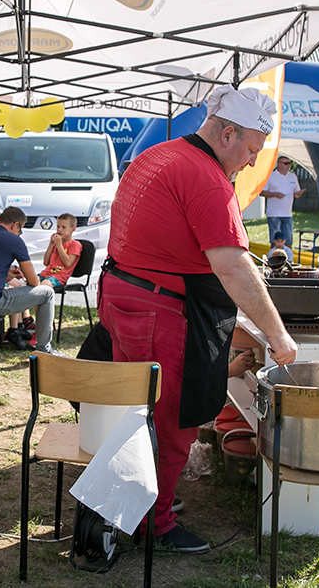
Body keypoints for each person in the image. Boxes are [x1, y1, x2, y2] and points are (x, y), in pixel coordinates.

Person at [98, 84, 298, 553]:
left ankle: (143, 496)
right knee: (172, 420)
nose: (252, 162)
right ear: (227, 133)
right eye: (251, 149)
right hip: (158, 310)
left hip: (124, 296)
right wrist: (276, 333)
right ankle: (155, 525)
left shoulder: (157, 154)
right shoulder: (207, 177)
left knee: (135, 411)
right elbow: (233, 265)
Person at [0, 207, 60, 356]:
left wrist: (7, 276)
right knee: (47, 293)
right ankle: (44, 349)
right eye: (20, 230)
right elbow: (33, 282)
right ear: (15, 225)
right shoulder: (14, 240)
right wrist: (36, 278)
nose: (19, 234)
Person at [10, 213, 82, 343]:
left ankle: (40, 333)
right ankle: (21, 324)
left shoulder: (75, 245)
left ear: (73, 229)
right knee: (23, 286)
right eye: (58, 226)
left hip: (59, 277)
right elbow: (46, 262)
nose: (59, 230)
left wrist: (59, 245)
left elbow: (68, 263)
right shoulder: (55, 243)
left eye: (63, 227)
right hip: (46, 273)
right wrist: (51, 244)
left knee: (42, 292)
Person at [259, 155, 303, 246]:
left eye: (289, 163)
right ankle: (274, 258)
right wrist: (275, 194)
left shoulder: (293, 176)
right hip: (274, 213)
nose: (288, 166)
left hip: (287, 213)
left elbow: (296, 193)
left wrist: (298, 194)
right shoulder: (270, 176)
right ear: (279, 164)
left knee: (288, 240)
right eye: (286, 163)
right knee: (275, 240)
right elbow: (262, 192)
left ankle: (288, 259)